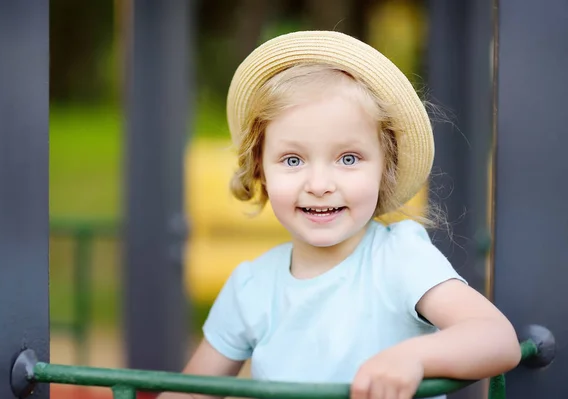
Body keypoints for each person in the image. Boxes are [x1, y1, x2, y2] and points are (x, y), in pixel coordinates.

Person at [160, 31, 521, 399]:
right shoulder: (252, 288)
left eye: (348, 159)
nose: (319, 184)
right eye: (293, 159)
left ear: (385, 169)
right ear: (259, 169)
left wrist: (413, 357)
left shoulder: (398, 259)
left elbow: (497, 338)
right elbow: (187, 393)